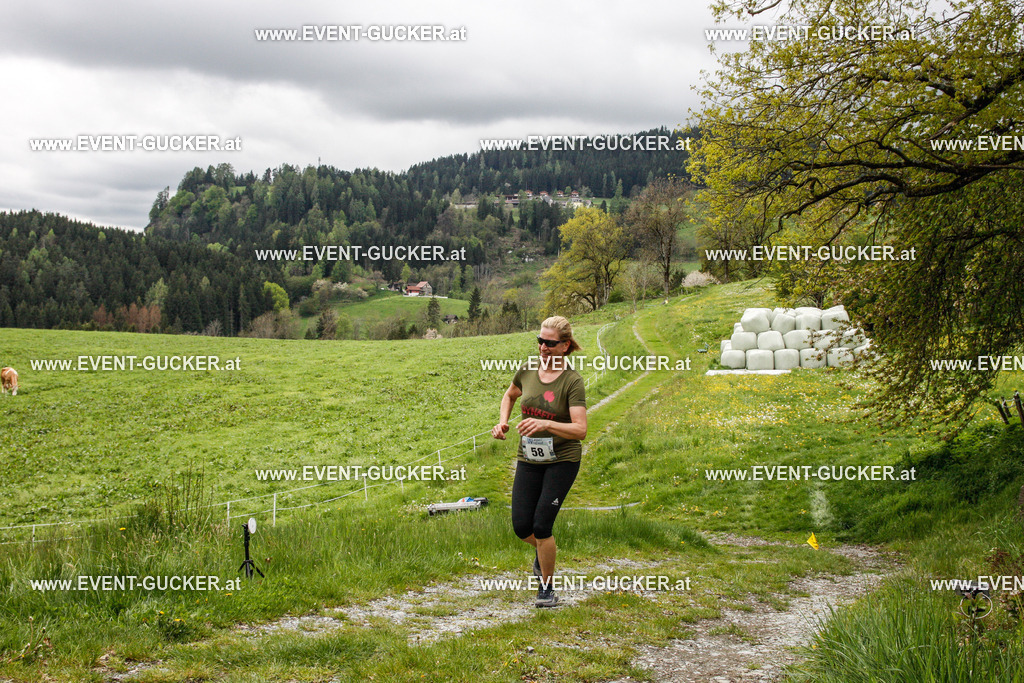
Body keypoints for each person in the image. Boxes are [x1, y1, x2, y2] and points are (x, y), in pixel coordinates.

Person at [491, 316, 587, 607]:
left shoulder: (572, 381)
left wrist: (546, 425)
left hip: (562, 459)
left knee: (542, 525)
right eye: (540, 341)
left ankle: (547, 588)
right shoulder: (527, 370)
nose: (543, 347)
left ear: (565, 345)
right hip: (529, 457)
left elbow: (580, 430)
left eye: (550, 343)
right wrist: (502, 423)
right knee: (522, 527)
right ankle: (545, 552)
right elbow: (509, 395)